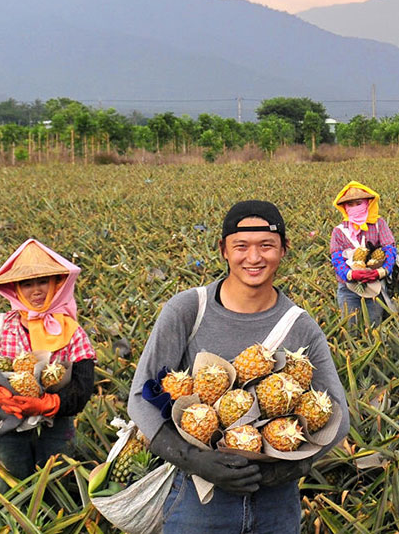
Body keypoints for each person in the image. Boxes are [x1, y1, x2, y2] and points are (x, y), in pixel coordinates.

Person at [128, 200, 350, 534]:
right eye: (241, 246)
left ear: (284, 249)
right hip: (198, 498)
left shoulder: (299, 325)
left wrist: (292, 467)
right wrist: (192, 458)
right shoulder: (188, 309)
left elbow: (338, 413)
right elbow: (140, 396)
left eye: (267, 246)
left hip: (275, 504)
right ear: (223, 250)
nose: (254, 257)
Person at [0, 239, 97, 480]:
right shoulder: (1, 324)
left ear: (57, 284)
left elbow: (83, 384)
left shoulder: (72, 330)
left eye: (43, 281)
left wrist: (46, 404)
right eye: (26, 283)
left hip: (57, 424)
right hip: (8, 419)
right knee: (8, 482)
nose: (36, 290)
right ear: (15, 288)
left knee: (57, 481)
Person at [329, 181, 398, 322]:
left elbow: (389, 249)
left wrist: (382, 271)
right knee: (351, 327)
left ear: (368, 203)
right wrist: (350, 273)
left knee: (374, 326)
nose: (354, 207)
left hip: (375, 285)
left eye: (359, 203)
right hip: (348, 287)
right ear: (344, 207)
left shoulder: (379, 224)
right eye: (350, 204)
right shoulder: (339, 231)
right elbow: (336, 258)